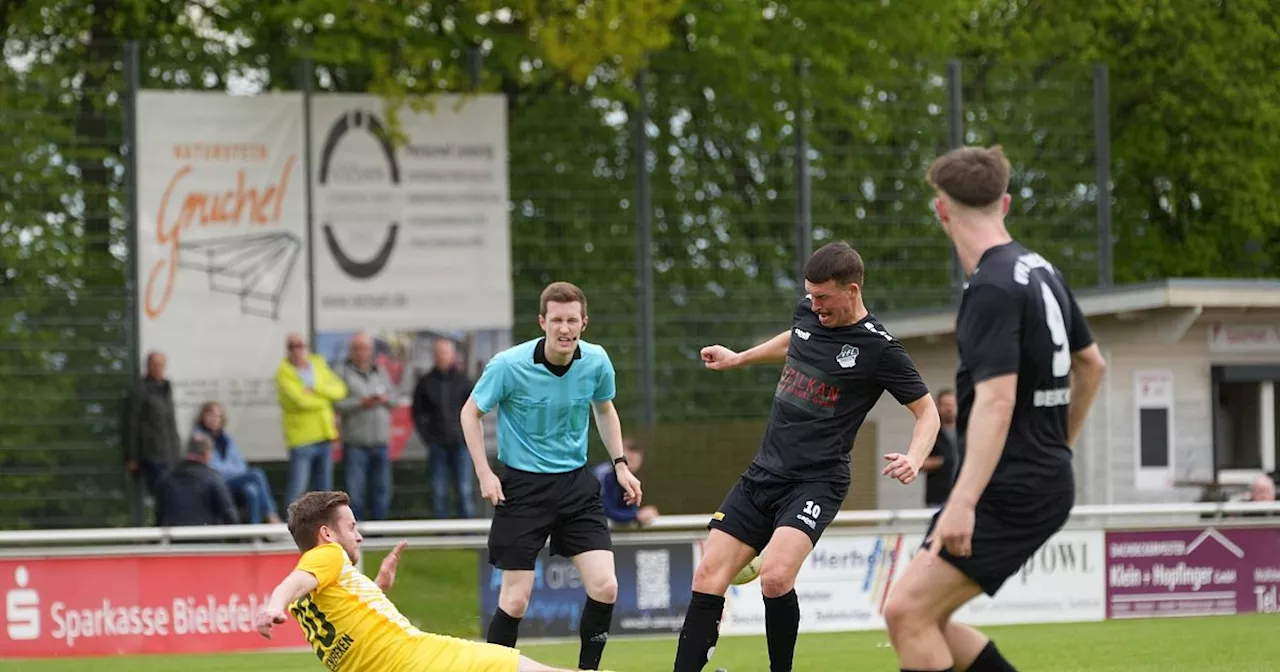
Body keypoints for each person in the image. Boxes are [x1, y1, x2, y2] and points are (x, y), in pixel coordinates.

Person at [882, 145, 1107, 672]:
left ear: (941, 210)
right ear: (1004, 204)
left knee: (906, 612)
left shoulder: (991, 286)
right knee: (921, 618)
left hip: (1007, 489)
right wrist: (1059, 447)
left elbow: (998, 400)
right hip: (1035, 480)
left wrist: (962, 502)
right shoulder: (1038, 268)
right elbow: (1093, 365)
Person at [672, 241, 941, 672]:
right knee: (706, 577)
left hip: (817, 481)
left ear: (852, 290)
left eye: (824, 298)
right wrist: (739, 358)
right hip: (763, 472)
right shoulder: (808, 314)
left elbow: (927, 412)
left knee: (776, 577)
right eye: (810, 296)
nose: (814, 306)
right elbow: (794, 339)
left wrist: (913, 456)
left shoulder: (880, 349)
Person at [460, 281, 641, 671]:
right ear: (542, 321)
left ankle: (587, 671)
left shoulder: (596, 361)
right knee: (515, 599)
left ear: (584, 323)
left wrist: (621, 464)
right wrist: (484, 473)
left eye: (571, 320)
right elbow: (469, 413)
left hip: (576, 485)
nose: (564, 328)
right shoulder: (508, 365)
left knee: (606, 586)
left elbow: (605, 409)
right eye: (556, 319)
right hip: (522, 488)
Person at [253, 490, 614, 672]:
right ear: (326, 534)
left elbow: (350, 634)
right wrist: (272, 606)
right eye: (351, 527)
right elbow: (292, 582)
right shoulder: (326, 557)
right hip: (428, 661)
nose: (358, 536)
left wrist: (375, 589)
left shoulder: (311, 600)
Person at [276, 332, 348, 506]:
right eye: (292, 346)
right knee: (298, 489)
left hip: (324, 435)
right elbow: (300, 401)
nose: (296, 350)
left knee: (325, 492)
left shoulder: (318, 364)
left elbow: (340, 390)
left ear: (307, 347)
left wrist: (315, 388)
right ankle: (291, 529)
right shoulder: (283, 373)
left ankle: (324, 529)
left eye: (300, 345)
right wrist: (324, 399)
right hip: (302, 439)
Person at [412, 337, 477, 519]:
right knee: (438, 490)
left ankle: (468, 531)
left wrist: (467, 435)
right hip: (437, 445)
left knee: (464, 489)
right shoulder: (425, 382)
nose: (441, 357)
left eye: (445, 353)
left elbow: (475, 409)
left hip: (461, 443)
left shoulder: (463, 381)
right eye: (438, 353)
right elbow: (417, 413)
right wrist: (428, 438)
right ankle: (441, 532)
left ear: (453, 355)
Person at [334, 332, 396, 521]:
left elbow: (395, 398)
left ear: (371, 351)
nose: (361, 352)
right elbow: (337, 404)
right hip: (356, 443)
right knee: (355, 492)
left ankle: (381, 531)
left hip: (380, 441)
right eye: (357, 348)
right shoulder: (342, 373)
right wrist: (361, 403)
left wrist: (385, 399)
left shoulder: (380, 371)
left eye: (365, 348)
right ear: (351, 351)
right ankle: (355, 532)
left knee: (383, 490)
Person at [198, 400, 282, 524]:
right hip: (216, 483)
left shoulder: (227, 439)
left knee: (251, 490)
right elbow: (212, 467)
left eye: (218, 416)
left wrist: (233, 472)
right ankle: (270, 513)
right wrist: (234, 472)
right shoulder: (200, 438)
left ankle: (254, 531)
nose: (214, 419)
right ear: (203, 417)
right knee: (256, 474)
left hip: (233, 481)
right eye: (211, 415)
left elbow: (241, 466)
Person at [126, 350, 182, 498]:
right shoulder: (140, 390)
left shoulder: (166, 389)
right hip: (152, 454)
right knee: (162, 494)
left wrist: (177, 451)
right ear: (148, 366)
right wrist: (132, 456)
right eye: (155, 365)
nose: (158, 368)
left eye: (161, 365)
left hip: (171, 454)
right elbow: (132, 424)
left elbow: (171, 422)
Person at [154, 433, 239, 527]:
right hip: (206, 539)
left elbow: (159, 516)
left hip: (175, 539)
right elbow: (230, 517)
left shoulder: (166, 479)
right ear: (206, 454)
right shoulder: (213, 478)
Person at [591, 438, 660, 527]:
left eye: (635, 460)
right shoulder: (604, 475)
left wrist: (639, 515)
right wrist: (637, 516)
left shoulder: (632, 479)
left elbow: (629, 508)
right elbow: (605, 510)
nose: (632, 462)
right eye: (629, 459)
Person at [920, 389, 958, 508]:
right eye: (945, 405)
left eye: (951, 405)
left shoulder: (966, 432)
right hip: (938, 498)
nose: (949, 409)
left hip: (962, 497)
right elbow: (919, 463)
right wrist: (942, 461)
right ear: (938, 407)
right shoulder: (931, 432)